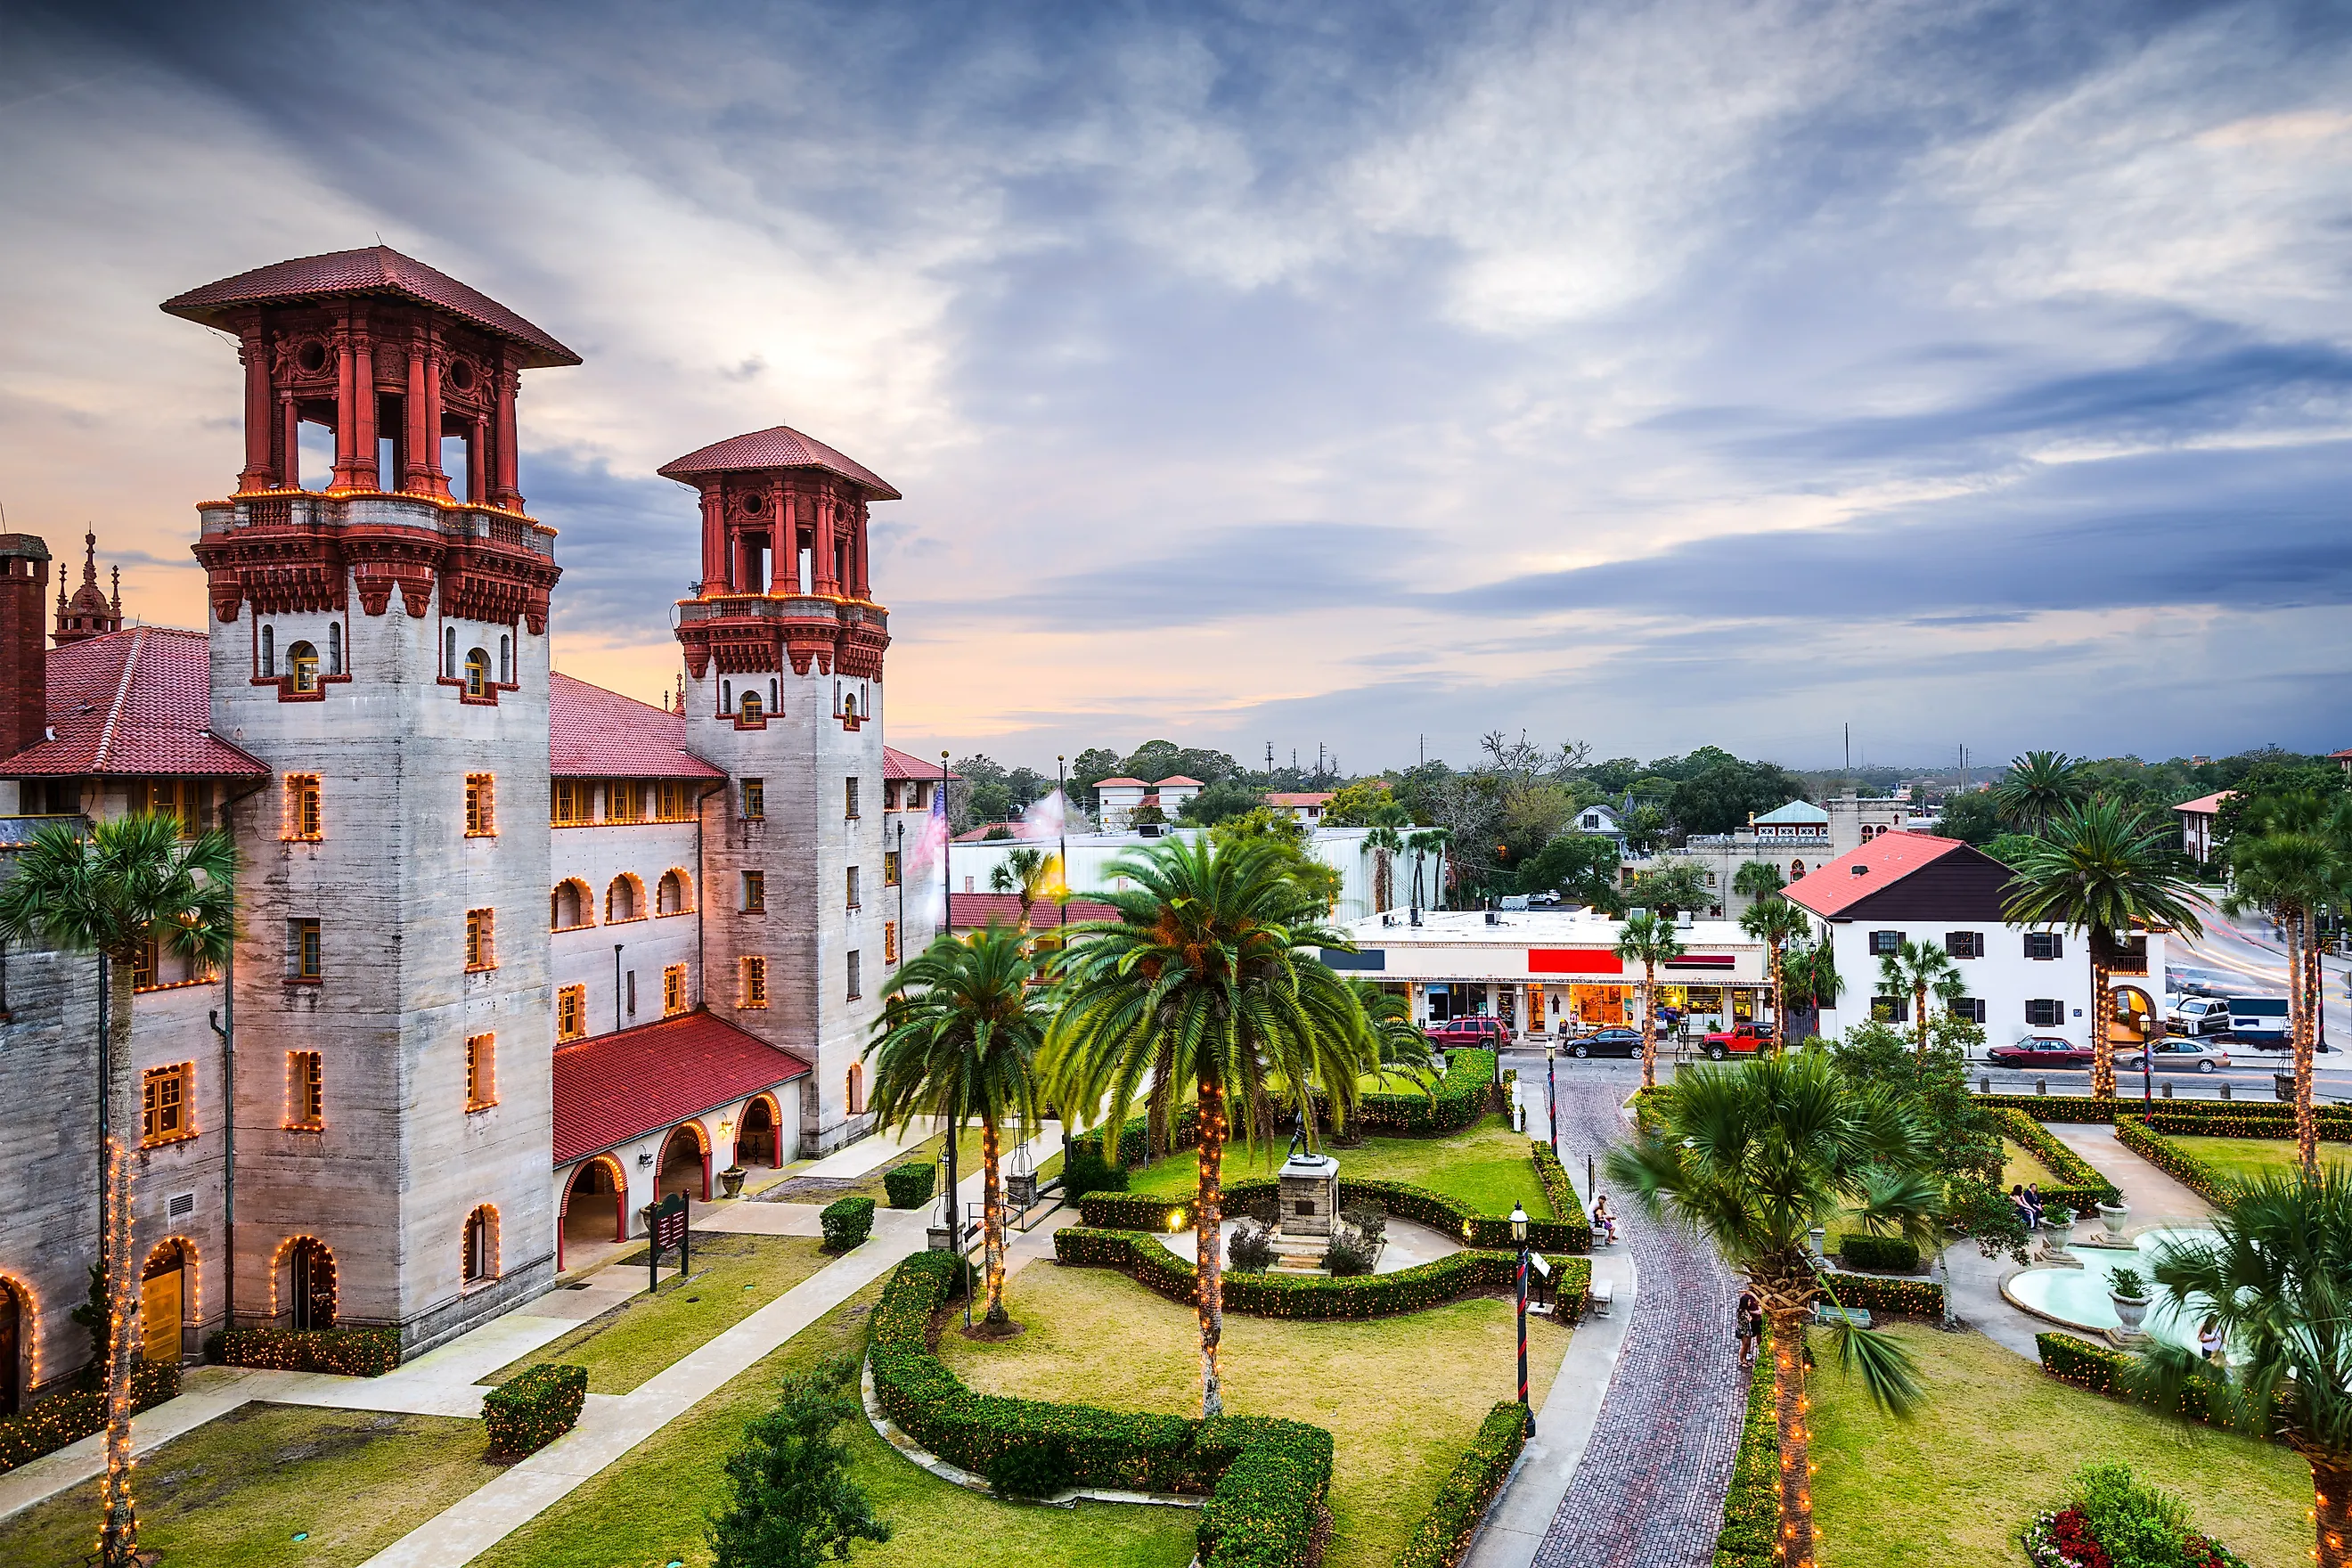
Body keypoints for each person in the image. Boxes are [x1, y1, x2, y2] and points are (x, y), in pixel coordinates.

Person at [1735, 1289, 1762, 1368]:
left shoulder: (1745, 1310)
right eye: (1748, 1302)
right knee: (1744, 1345)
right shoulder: (1742, 1312)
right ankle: (1741, 1360)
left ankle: (1744, 1360)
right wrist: (1749, 1319)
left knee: (1746, 1344)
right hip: (1744, 1331)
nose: (1750, 1303)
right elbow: (1745, 1321)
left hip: (1747, 1330)